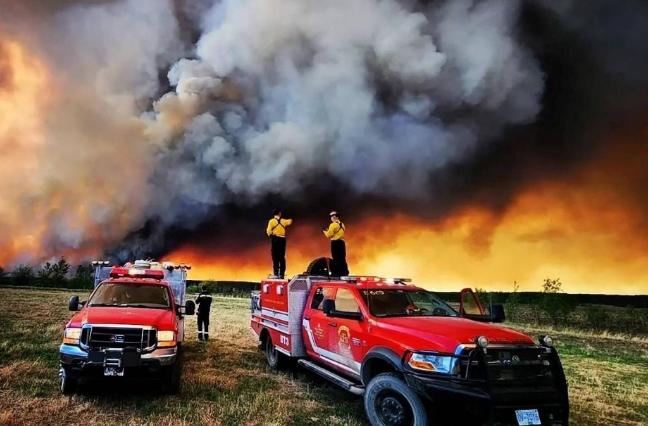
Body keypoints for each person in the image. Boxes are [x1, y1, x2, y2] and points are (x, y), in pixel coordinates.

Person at [266, 208, 293, 278]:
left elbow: (268, 231)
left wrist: (272, 236)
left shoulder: (271, 221)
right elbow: (290, 221)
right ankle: (282, 274)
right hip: (282, 240)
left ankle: (275, 274)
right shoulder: (283, 221)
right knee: (282, 257)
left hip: (275, 239)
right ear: (279, 213)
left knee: (275, 257)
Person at [323, 211, 349, 276]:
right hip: (342, 243)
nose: (332, 218)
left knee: (336, 258)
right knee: (342, 258)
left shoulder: (333, 225)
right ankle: (345, 272)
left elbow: (329, 235)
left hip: (335, 243)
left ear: (333, 217)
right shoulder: (342, 224)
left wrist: (325, 231)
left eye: (331, 216)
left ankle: (337, 273)